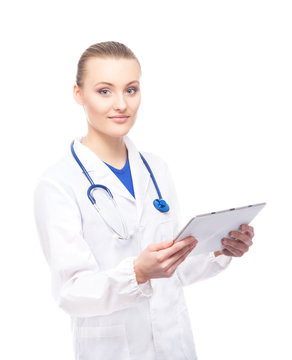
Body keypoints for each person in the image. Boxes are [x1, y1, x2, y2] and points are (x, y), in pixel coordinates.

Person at [33, 41, 254, 360]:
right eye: (104, 91)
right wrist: (137, 272)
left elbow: (173, 269)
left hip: (175, 346)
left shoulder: (156, 169)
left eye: (131, 89)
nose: (121, 104)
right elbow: (70, 292)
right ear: (79, 94)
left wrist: (220, 248)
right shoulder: (57, 184)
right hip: (112, 350)